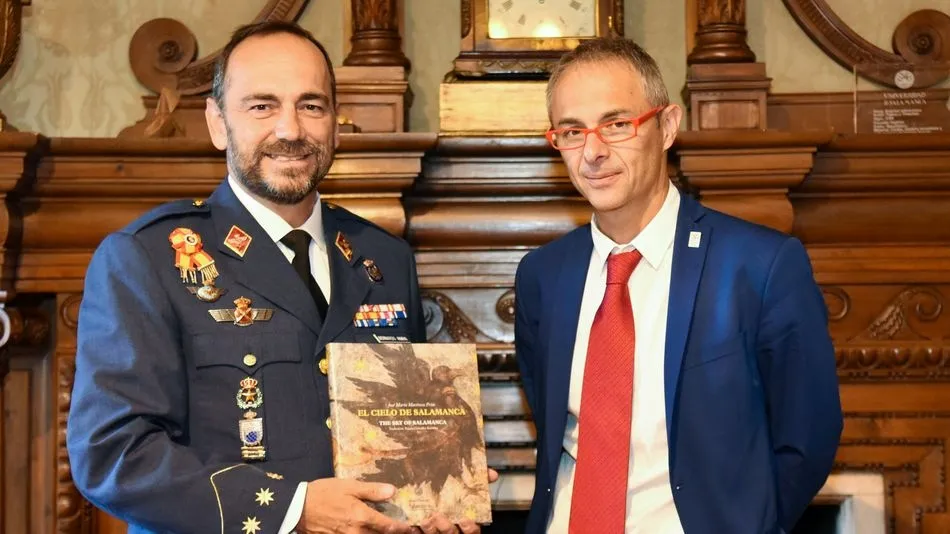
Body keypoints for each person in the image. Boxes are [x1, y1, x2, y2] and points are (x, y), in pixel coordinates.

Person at [67, 21, 492, 534]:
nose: (291, 130)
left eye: (311, 105)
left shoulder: (383, 257)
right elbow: (114, 455)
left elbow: (398, 427)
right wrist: (292, 509)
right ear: (218, 122)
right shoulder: (148, 257)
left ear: (335, 122)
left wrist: (438, 486)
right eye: (262, 105)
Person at [513, 37, 843, 534]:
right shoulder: (542, 276)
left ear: (667, 126)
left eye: (617, 124)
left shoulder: (760, 265)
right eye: (572, 131)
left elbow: (808, 436)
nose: (594, 152)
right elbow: (552, 417)